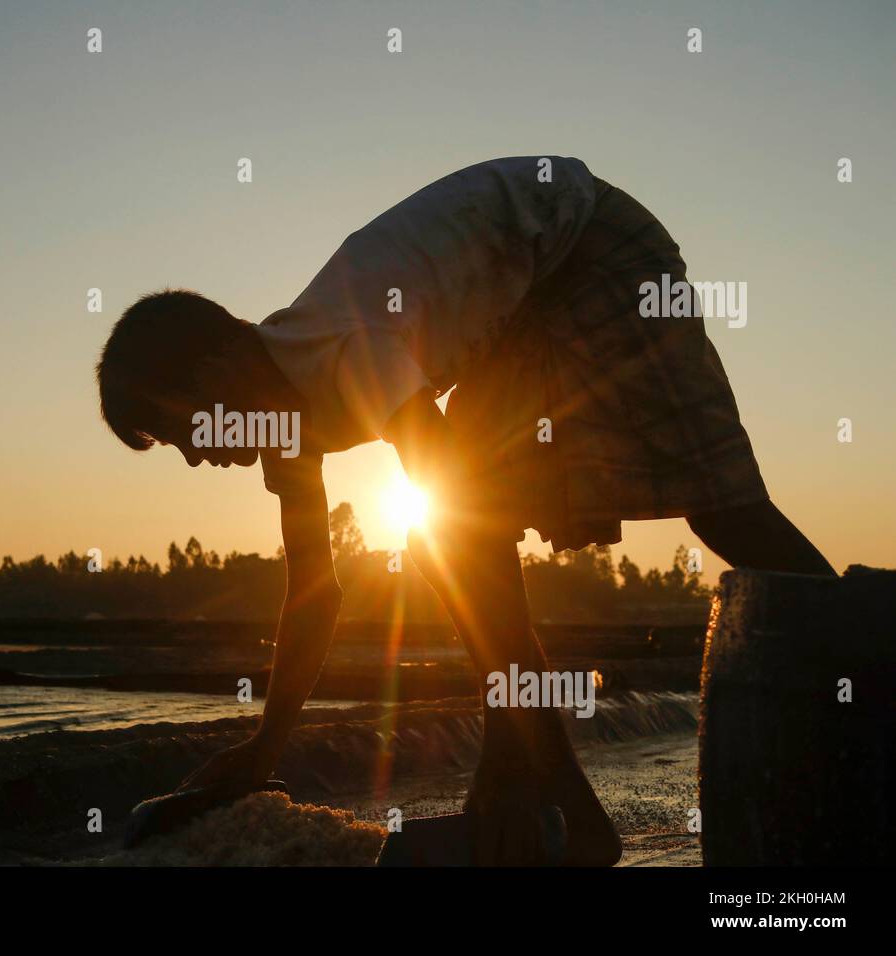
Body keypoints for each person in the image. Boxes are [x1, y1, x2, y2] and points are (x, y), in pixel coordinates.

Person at [95, 156, 835, 865]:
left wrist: (498, 750)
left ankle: (868, 663)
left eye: (180, 429)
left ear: (219, 369)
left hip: (591, 245)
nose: (194, 456)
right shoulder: (285, 432)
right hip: (518, 309)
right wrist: (265, 747)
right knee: (461, 529)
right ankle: (572, 813)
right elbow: (313, 597)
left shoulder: (344, 348)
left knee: (719, 506)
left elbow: (455, 505)